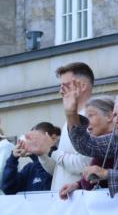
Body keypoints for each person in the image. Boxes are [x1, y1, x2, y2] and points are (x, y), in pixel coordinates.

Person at [39, 62, 95, 190]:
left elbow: (84, 166)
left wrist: (53, 151)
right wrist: (43, 153)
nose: (61, 91)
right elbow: (58, 170)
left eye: (66, 86)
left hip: (78, 203)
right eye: (61, 86)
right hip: (63, 203)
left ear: (83, 86)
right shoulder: (68, 122)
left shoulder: (92, 119)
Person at [58, 95, 116, 199]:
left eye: (91, 115)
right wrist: (77, 184)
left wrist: (71, 114)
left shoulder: (114, 141)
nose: (87, 122)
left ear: (109, 116)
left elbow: (91, 183)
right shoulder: (106, 140)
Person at [2, 122, 61, 194]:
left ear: (53, 138)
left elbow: (47, 173)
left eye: (37, 140)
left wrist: (36, 155)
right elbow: (8, 188)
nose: (32, 144)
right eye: (30, 140)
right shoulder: (30, 169)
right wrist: (13, 158)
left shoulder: (61, 162)